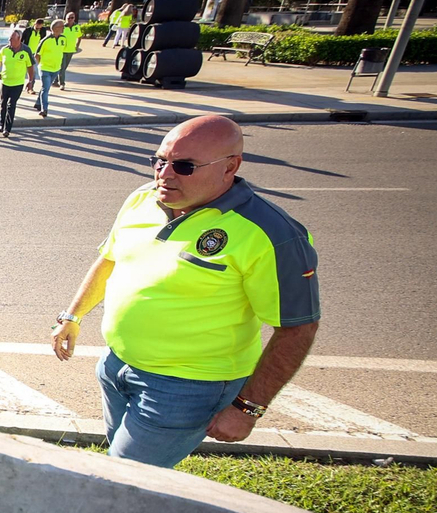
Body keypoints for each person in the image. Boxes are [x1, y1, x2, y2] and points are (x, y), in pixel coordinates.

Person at [50, 116, 321, 468]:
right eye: (159, 161)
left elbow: (298, 328)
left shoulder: (273, 233)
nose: (164, 174)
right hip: (117, 366)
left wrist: (248, 408)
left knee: (122, 480)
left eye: (184, 166)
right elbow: (110, 259)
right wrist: (73, 316)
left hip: (186, 387)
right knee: (126, 472)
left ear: (230, 167)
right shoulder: (142, 199)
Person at [0, 29, 35, 138]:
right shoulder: (5, 49)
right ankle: (1, 124)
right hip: (5, 82)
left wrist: (30, 81)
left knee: (11, 105)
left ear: (19, 39)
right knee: (3, 104)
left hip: (17, 83)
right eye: (9, 39)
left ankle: (7, 128)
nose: (9, 41)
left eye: (12, 39)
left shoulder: (26, 50)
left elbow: (30, 67)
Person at [33, 20, 66, 119]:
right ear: (56, 28)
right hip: (45, 69)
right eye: (62, 26)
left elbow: (62, 51)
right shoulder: (45, 40)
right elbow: (37, 55)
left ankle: (38, 103)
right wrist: (41, 65)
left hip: (56, 69)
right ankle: (44, 109)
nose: (63, 28)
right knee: (46, 88)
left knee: (45, 88)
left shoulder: (63, 39)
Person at [58, 11, 83, 89]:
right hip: (62, 50)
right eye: (69, 18)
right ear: (66, 18)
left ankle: (55, 80)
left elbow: (79, 36)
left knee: (64, 67)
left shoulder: (76, 27)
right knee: (62, 67)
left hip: (71, 50)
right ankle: (62, 83)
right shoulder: (62, 27)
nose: (70, 19)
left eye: (72, 18)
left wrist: (77, 45)